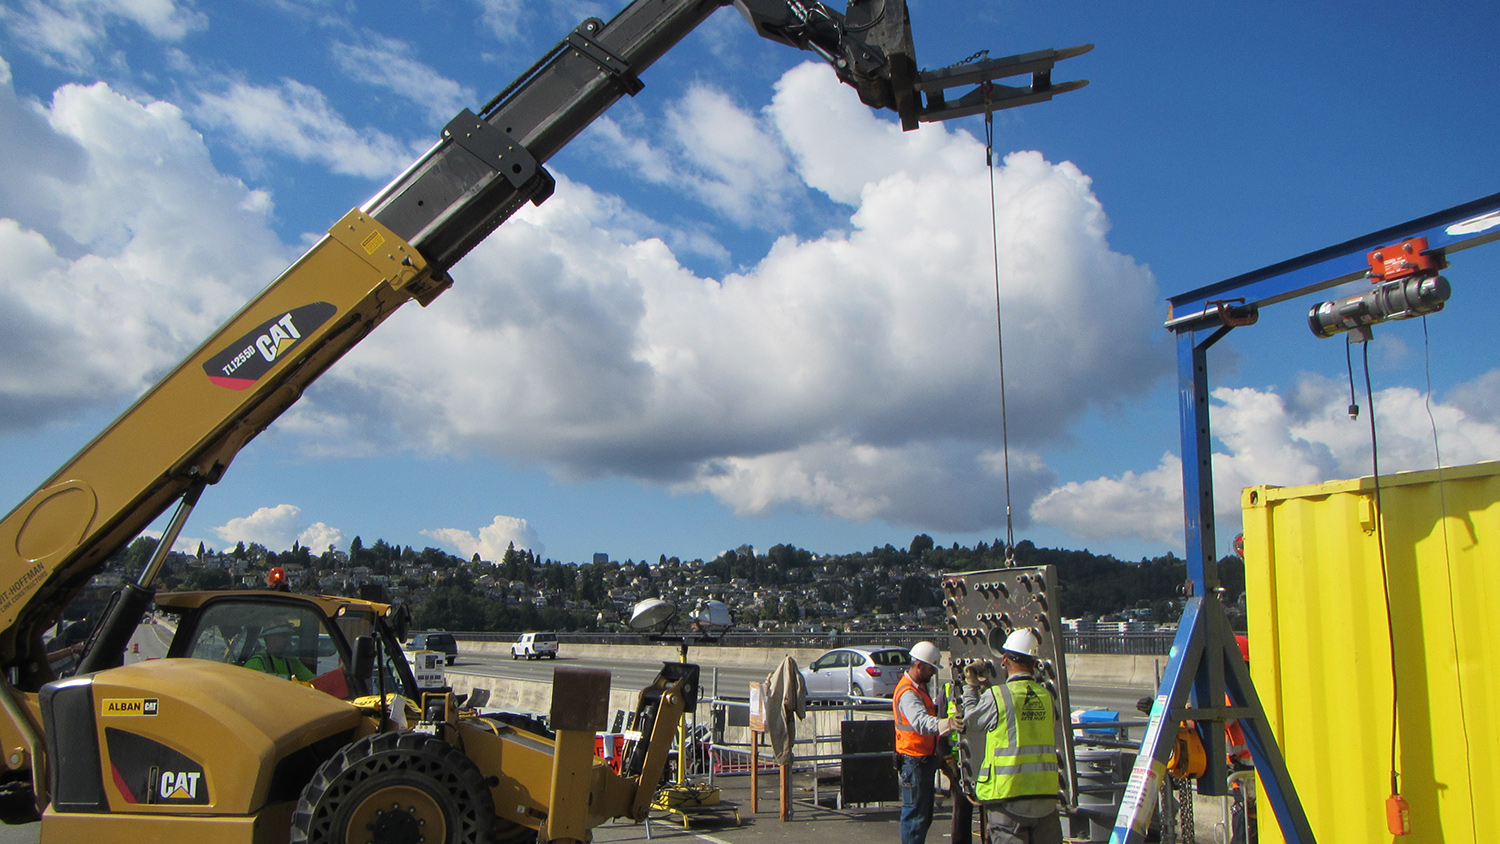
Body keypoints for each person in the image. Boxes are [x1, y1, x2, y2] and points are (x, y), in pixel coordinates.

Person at [962, 629, 1062, 844]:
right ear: (1033, 663)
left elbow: (971, 721)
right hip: (1045, 799)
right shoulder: (1046, 696)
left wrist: (971, 686)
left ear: (1005, 660)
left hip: (1009, 800)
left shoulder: (997, 696)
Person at [894, 641, 960, 844]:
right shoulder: (908, 693)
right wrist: (948, 723)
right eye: (931, 668)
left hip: (921, 759)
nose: (933, 673)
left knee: (921, 816)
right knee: (915, 817)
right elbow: (921, 723)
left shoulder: (917, 689)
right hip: (915, 761)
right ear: (919, 666)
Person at [243, 621, 314, 681]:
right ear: (270, 638)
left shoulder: (292, 661)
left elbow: (313, 681)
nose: (289, 640)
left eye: (290, 635)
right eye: (285, 636)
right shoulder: (256, 663)